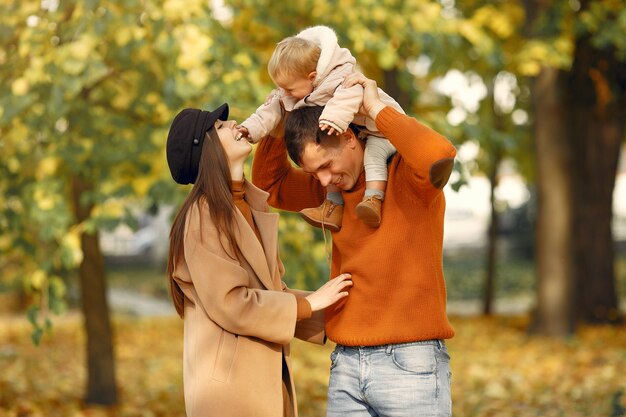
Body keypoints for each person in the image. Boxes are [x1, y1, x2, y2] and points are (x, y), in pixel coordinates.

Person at [252, 73, 457, 417]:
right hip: (346, 363)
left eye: (326, 166)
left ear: (347, 136)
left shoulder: (409, 176)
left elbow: (439, 153)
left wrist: (376, 108)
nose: (323, 180)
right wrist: (283, 116)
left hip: (410, 362)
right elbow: (270, 184)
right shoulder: (334, 192)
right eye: (313, 172)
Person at [165, 103, 353, 417]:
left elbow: (269, 294)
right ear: (207, 149)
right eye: (221, 127)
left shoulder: (250, 205)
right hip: (230, 391)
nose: (235, 123)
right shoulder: (203, 213)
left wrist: (338, 312)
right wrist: (311, 304)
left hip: (262, 377)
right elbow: (232, 302)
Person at [237, 25, 405, 230]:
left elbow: (348, 99)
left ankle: (373, 198)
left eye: (289, 89)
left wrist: (334, 120)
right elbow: (270, 185)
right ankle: (333, 206)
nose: (285, 94)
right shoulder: (331, 175)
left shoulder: (339, 80)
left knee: (373, 155)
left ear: (311, 76)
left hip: (382, 131)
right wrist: (251, 128)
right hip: (346, 128)